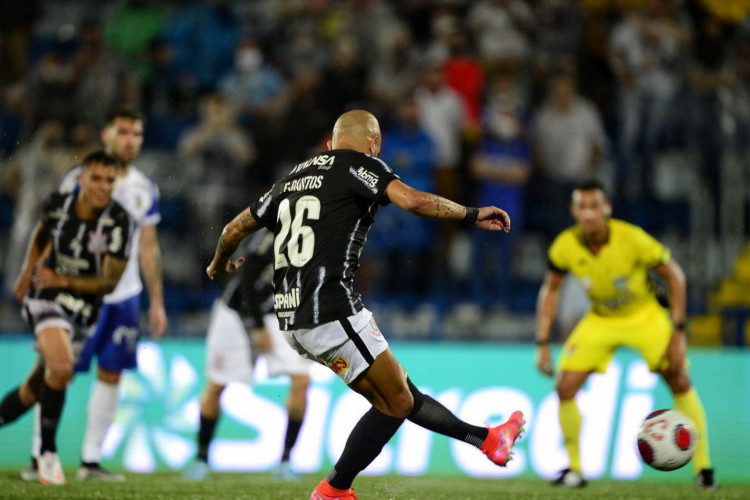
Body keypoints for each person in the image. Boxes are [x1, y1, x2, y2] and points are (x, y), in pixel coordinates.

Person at [206, 109, 525, 500]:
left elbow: (232, 229)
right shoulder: (361, 165)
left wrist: (218, 265)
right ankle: (334, 490)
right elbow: (413, 201)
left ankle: (488, 439)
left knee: (399, 393)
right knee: (397, 402)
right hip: (330, 309)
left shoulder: (292, 178)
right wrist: (472, 213)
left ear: (330, 143)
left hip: (292, 318)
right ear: (373, 144)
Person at [534, 179, 717, 489]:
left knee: (679, 378)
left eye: (594, 206)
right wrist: (542, 342)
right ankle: (575, 470)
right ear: (574, 211)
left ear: (607, 209)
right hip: (601, 319)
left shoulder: (631, 238)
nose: (588, 213)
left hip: (644, 315)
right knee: (565, 387)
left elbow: (675, 276)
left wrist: (679, 331)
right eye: (582, 207)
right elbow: (551, 289)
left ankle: (704, 470)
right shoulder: (565, 245)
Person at [22, 106, 168, 481]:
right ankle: (41, 456)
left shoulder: (145, 188)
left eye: (137, 133)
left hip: (124, 295)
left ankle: (90, 461)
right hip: (76, 296)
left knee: (112, 374)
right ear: (105, 135)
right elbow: (53, 230)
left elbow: (148, 247)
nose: (130, 140)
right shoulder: (78, 178)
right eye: (122, 132)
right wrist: (36, 274)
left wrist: (157, 301)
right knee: (55, 371)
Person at [0, 150, 133, 485]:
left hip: (84, 311)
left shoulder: (119, 220)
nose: (104, 186)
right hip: (45, 296)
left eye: (110, 180)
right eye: (97, 179)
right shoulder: (58, 204)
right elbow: (42, 233)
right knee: (60, 368)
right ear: (81, 180)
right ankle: (46, 456)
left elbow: (109, 282)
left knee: (36, 388)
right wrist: (28, 270)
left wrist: (66, 280)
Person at [183, 229, 312, 481]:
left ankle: (285, 462)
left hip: (277, 312)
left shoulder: (324, 232)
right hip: (236, 310)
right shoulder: (276, 228)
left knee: (302, 380)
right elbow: (249, 276)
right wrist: (258, 327)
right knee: (217, 385)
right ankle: (201, 460)